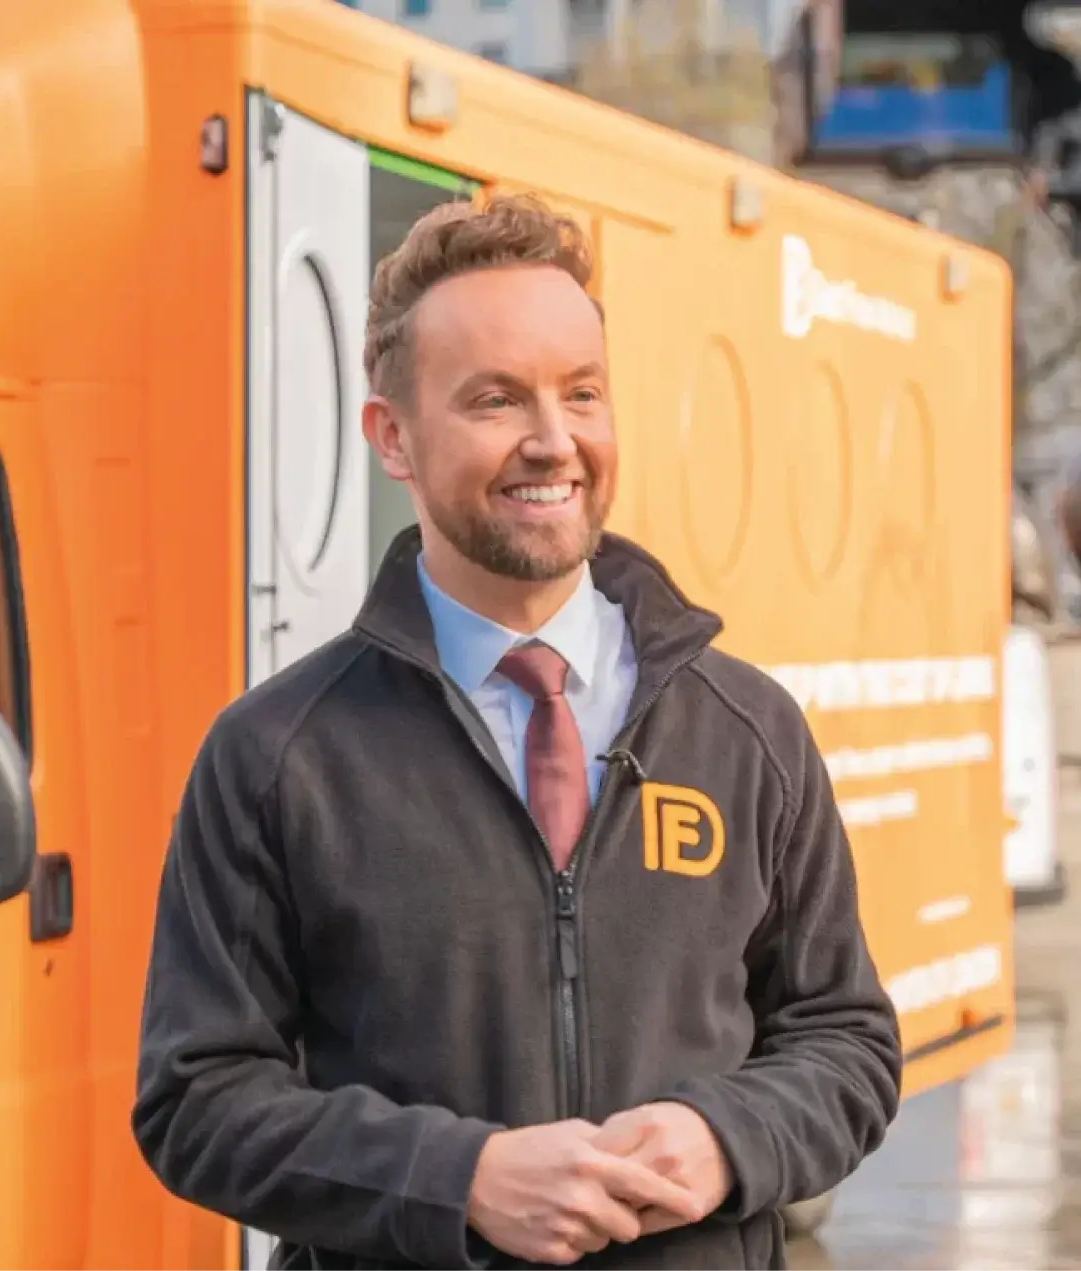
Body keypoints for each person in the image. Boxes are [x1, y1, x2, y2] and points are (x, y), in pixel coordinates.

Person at [131, 192, 902, 1269]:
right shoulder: (276, 755)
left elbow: (847, 1040)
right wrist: (458, 1180)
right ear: (392, 437)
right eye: (494, 400)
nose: (552, 441)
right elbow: (195, 1099)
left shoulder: (747, 730)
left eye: (580, 392)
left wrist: (725, 1136)